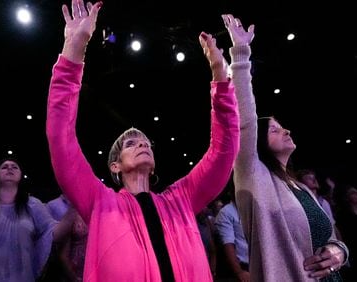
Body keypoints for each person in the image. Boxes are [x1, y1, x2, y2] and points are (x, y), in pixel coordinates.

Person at [45, 1, 240, 280]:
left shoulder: (182, 199)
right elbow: (59, 135)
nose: (142, 144)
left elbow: (224, 151)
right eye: (130, 143)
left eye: (146, 142)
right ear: (115, 166)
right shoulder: (98, 201)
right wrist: (74, 50)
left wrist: (221, 79)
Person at [222, 13, 349, 281]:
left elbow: (329, 237)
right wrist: (241, 55)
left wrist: (339, 252)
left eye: (283, 127)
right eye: (275, 130)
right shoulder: (253, 175)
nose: (286, 131)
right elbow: (245, 123)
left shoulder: (301, 188)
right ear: (259, 143)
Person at [214, 190, 249, 282]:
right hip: (238, 269)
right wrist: (239, 272)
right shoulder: (226, 212)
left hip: (254, 266)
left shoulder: (250, 210)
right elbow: (228, 244)